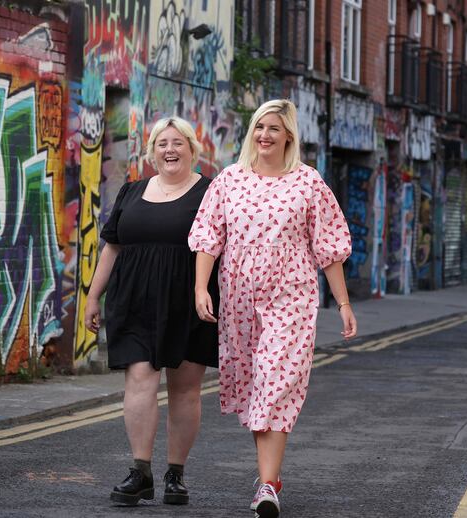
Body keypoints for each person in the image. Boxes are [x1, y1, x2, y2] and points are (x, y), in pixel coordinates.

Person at [188, 99, 357, 518]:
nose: (264, 135)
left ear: (289, 137)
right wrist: (199, 288)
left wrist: (344, 303)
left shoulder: (308, 183)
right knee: (254, 387)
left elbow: (329, 247)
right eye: (259, 127)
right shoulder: (229, 180)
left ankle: (266, 486)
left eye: (274, 128)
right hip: (239, 298)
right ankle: (270, 476)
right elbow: (209, 236)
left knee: (276, 381)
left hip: (292, 296)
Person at [85, 116, 219, 507]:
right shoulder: (131, 191)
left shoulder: (211, 193)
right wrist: (93, 297)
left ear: (193, 150)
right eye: (162, 143)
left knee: (185, 388)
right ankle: (140, 472)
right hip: (134, 299)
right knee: (139, 380)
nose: (170, 150)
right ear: (152, 151)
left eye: (178, 143)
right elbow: (112, 247)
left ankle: (175, 475)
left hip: (190, 298)